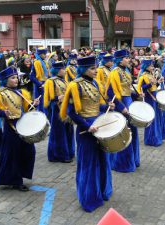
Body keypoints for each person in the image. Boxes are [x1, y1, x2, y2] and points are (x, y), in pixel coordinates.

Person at [60, 56, 114, 212]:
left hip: (99, 125)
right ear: (83, 69)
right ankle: (89, 197)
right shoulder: (74, 86)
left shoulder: (95, 82)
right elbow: (71, 112)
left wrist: (107, 106)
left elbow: (98, 106)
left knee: (102, 159)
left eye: (96, 67)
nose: (95, 70)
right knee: (89, 163)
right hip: (86, 130)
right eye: (92, 68)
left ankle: (102, 191)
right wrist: (87, 126)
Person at [0, 66, 39, 191]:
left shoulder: (20, 92)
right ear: (5, 80)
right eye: (12, 78)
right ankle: (16, 181)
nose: (16, 79)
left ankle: (21, 174)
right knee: (13, 154)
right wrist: (2, 113)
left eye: (16, 77)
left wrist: (34, 104)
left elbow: (26, 108)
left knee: (28, 150)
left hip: (22, 124)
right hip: (10, 127)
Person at [106, 49, 142, 172]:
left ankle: (133, 160)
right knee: (124, 134)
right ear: (120, 60)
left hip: (128, 103)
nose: (129, 60)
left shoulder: (126, 71)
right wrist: (121, 108)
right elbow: (110, 93)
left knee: (132, 132)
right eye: (126, 58)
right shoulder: (114, 73)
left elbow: (128, 90)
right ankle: (121, 163)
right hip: (121, 105)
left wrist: (136, 96)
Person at [44, 61, 75, 163]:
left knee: (68, 130)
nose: (65, 70)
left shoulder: (64, 80)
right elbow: (49, 98)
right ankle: (60, 154)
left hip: (66, 108)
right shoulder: (50, 81)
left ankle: (69, 152)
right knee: (59, 132)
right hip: (57, 109)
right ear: (57, 70)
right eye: (62, 69)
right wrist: (58, 98)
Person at [137, 59, 165, 146]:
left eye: (152, 65)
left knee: (157, 117)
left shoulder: (151, 75)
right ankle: (151, 139)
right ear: (146, 66)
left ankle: (158, 136)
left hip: (154, 98)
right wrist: (150, 84)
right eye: (150, 66)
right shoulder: (143, 76)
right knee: (152, 119)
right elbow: (142, 88)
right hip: (149, 98)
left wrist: (158, 82)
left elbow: (154, 87)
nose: (152, 67)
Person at [30, 47, 51, 113]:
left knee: (47, 103)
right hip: (40, 86)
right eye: (44, 54)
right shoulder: (36, 62)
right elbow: (32, 77)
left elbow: (47, 73)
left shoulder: (44, 62)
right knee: (41, 105)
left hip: (46, 84)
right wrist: (40, 84)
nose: (45, 55)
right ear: (40, 54)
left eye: (45, 54)